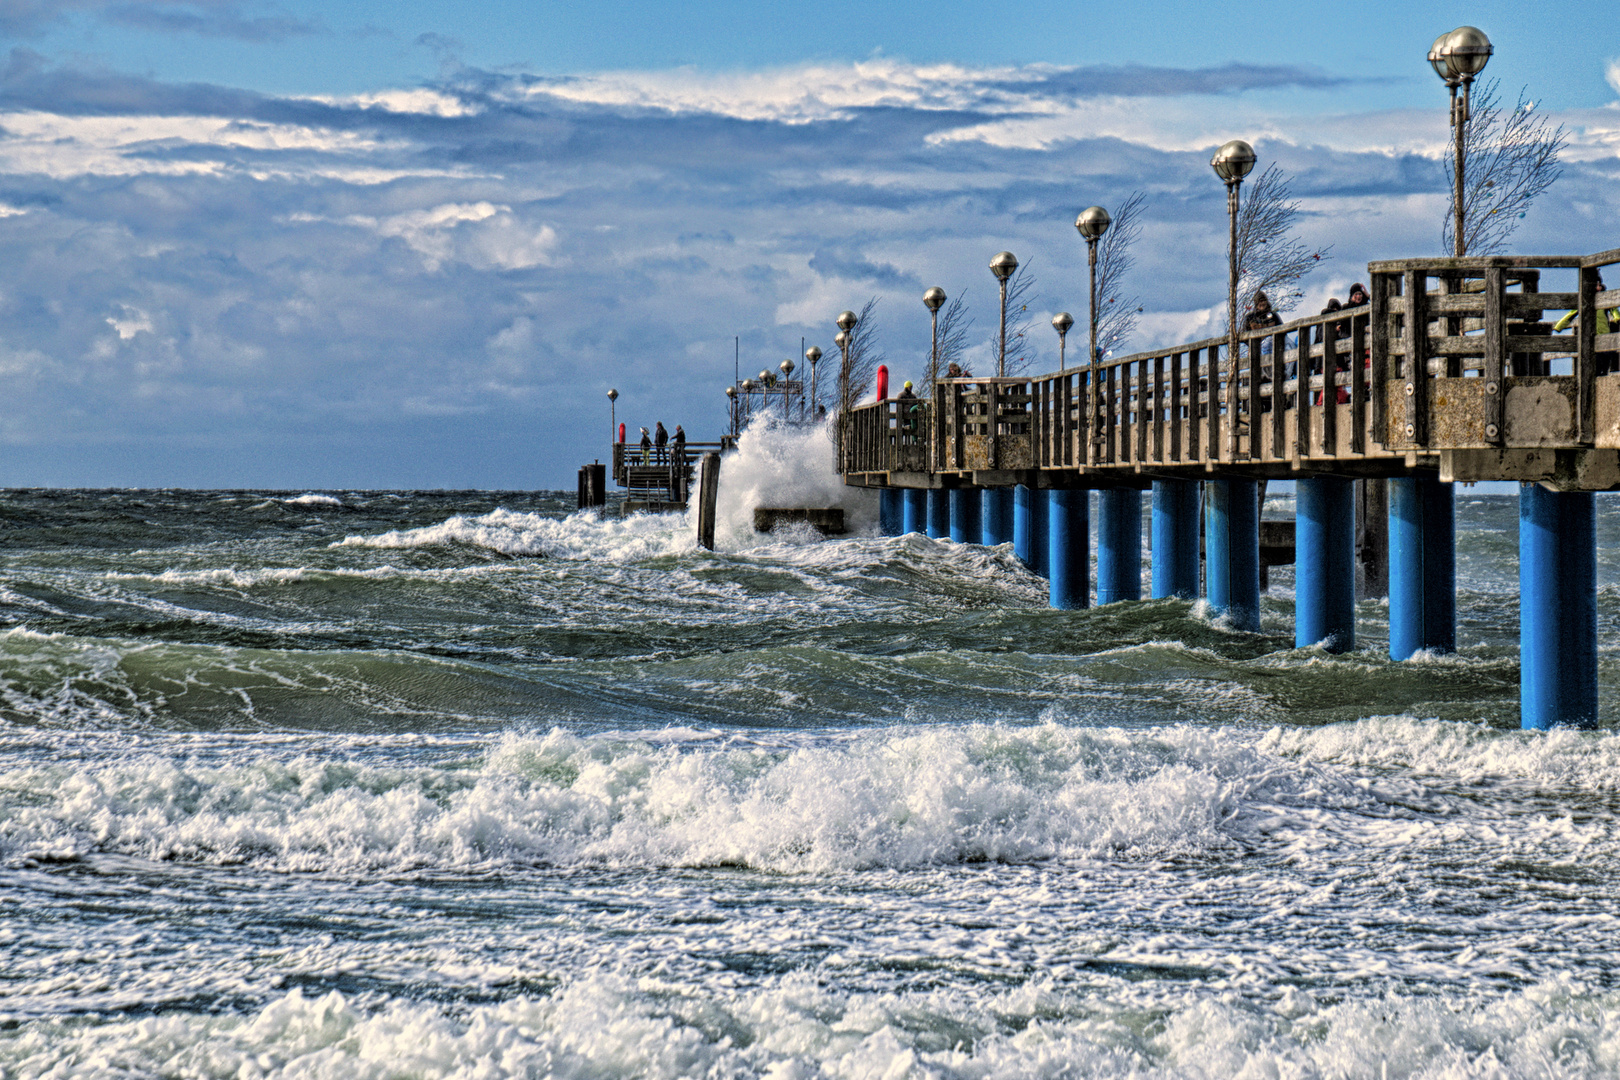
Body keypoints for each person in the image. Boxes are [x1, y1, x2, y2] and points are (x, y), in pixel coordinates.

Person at [1553, 274, 1620, 375]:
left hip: (1605, 335)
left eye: (1598, 284)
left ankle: (1603, 377)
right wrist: (1559, 326)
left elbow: (1614, 310)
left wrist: (1618, 319)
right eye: (1595, 285)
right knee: (1596, 362)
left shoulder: (1605, 298)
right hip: (1591, 336)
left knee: (1606, 361)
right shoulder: (1585, 299)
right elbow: (1571, 314)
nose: (1597, 287)